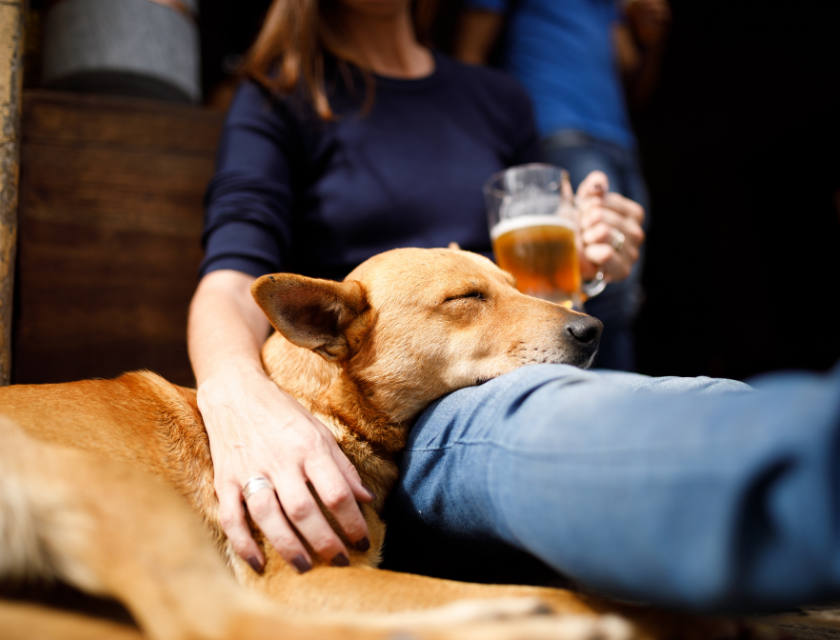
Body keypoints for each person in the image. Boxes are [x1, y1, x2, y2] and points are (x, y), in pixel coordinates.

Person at [189, 0, 644, 578]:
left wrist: (587, 261)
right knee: (587, 424)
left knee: (599, 410)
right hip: (388, 404)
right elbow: (231, 281)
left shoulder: (497, 97)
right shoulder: (281, 95)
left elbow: (527, 291)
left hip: (507, 366)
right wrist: (238, 401)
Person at [382, 361, 840, 611]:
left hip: (549, 367)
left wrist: (611, 285)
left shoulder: (589, 182)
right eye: (470, 298)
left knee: (706, 395)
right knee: (546, 425)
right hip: (416, 406)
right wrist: (303, 415)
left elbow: (603, 339)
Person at [455, 0, 672, 372]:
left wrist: (651, 37)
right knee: (590, 283)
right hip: (555, 132)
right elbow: (468, 54)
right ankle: (606, 394)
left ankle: (614, 389)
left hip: (619, 140)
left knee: (622, 280)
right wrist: (479, 148)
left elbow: (631, 76)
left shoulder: (608, 5)